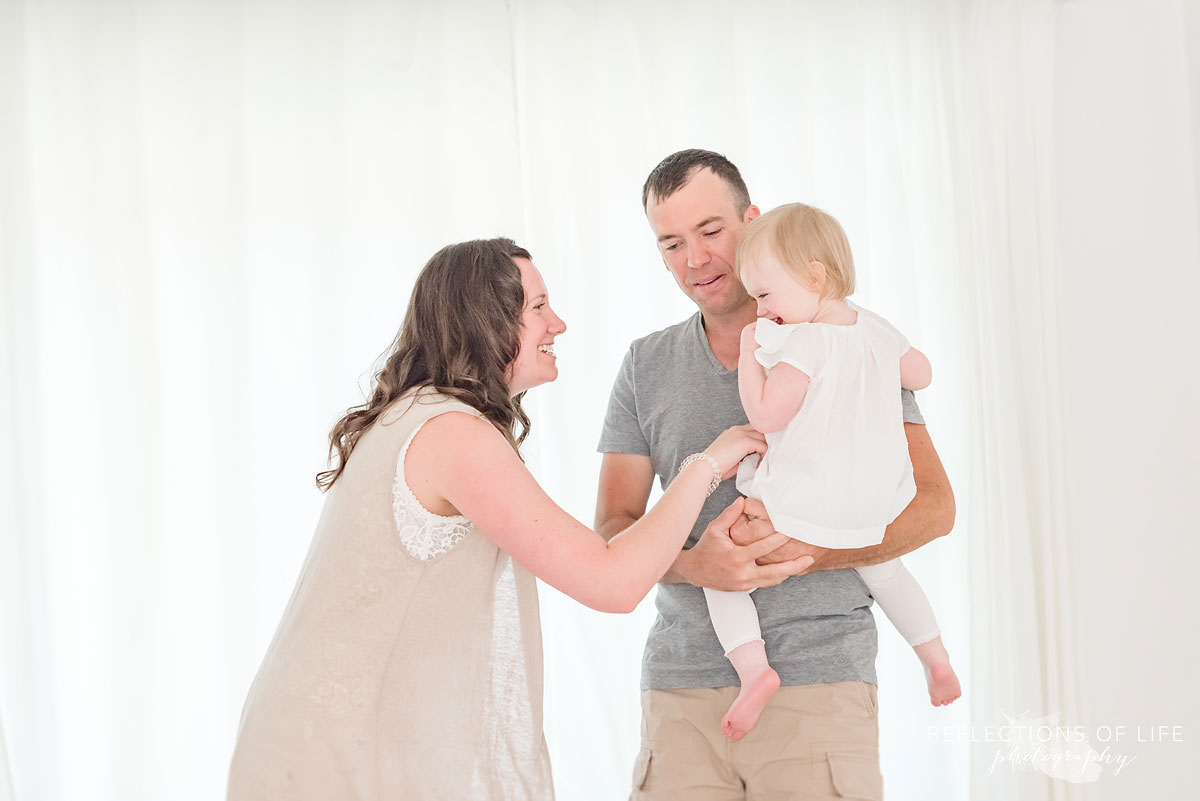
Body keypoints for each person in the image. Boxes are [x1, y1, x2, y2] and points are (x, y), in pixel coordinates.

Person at [226, 238, 768, 801]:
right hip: (337, 755)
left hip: (326, 742)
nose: (557, 323)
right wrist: (709, 461)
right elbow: (612, 581)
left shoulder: (420, 414)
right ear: (484, 319)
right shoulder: (451, 432)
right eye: (537, 307)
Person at [596, 151, 956, 800]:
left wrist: (814, 548)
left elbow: (935, 507)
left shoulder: (848, 341)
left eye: (710, 231)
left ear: (753, 222)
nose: (695, 259)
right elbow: (612, 528)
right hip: (680, 692)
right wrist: (696, 565)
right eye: (671, 243)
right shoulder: (645, 363)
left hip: (819, 684)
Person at [707, 202, 962, 742]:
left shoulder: (802, 343)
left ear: (814, 277)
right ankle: (935, 658)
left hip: (802, 505)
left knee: (721, 570)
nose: (760, 309)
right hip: (874, 505)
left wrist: (752, 356)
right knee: (887, 571)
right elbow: (922, 373)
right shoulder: (875, 329)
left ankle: (755, 672)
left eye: (765, 294)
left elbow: (766, 415)